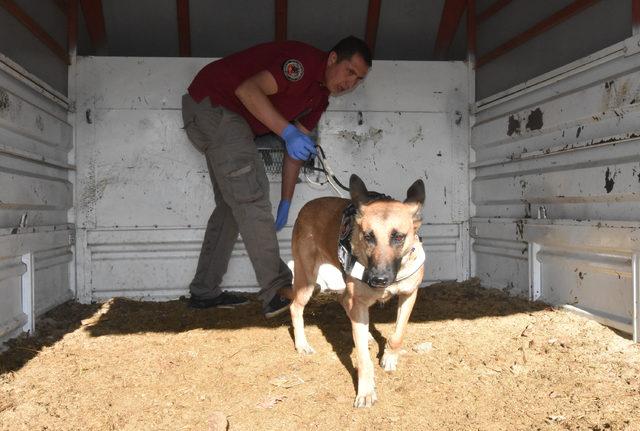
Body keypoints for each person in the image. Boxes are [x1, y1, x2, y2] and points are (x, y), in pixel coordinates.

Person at [181, 36, 371, 317]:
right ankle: (277, 290)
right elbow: (248, 91)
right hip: (214, 106)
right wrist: (287, 132)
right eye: (349, 71)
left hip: (224, 118)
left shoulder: (319, 98)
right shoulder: (302, 64)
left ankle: (204, 291)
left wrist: (285, 200)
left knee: (232, 207)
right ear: (332, 59)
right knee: (252, 198)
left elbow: (295, 153)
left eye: (358, 80)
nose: (350, 83)